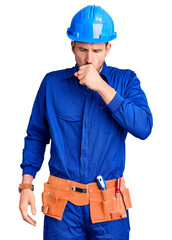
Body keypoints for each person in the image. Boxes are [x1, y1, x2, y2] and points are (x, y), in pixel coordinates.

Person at [19, 5, 153, 240]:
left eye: (97, 50)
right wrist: (26, 185)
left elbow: (143, 127)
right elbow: (36, 136)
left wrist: (101, 86)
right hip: (62, 208)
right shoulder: (52, 84)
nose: (89, 58)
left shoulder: (126, 81)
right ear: (72, 45)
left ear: (108, 48)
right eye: (82, 49)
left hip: (109, 207)